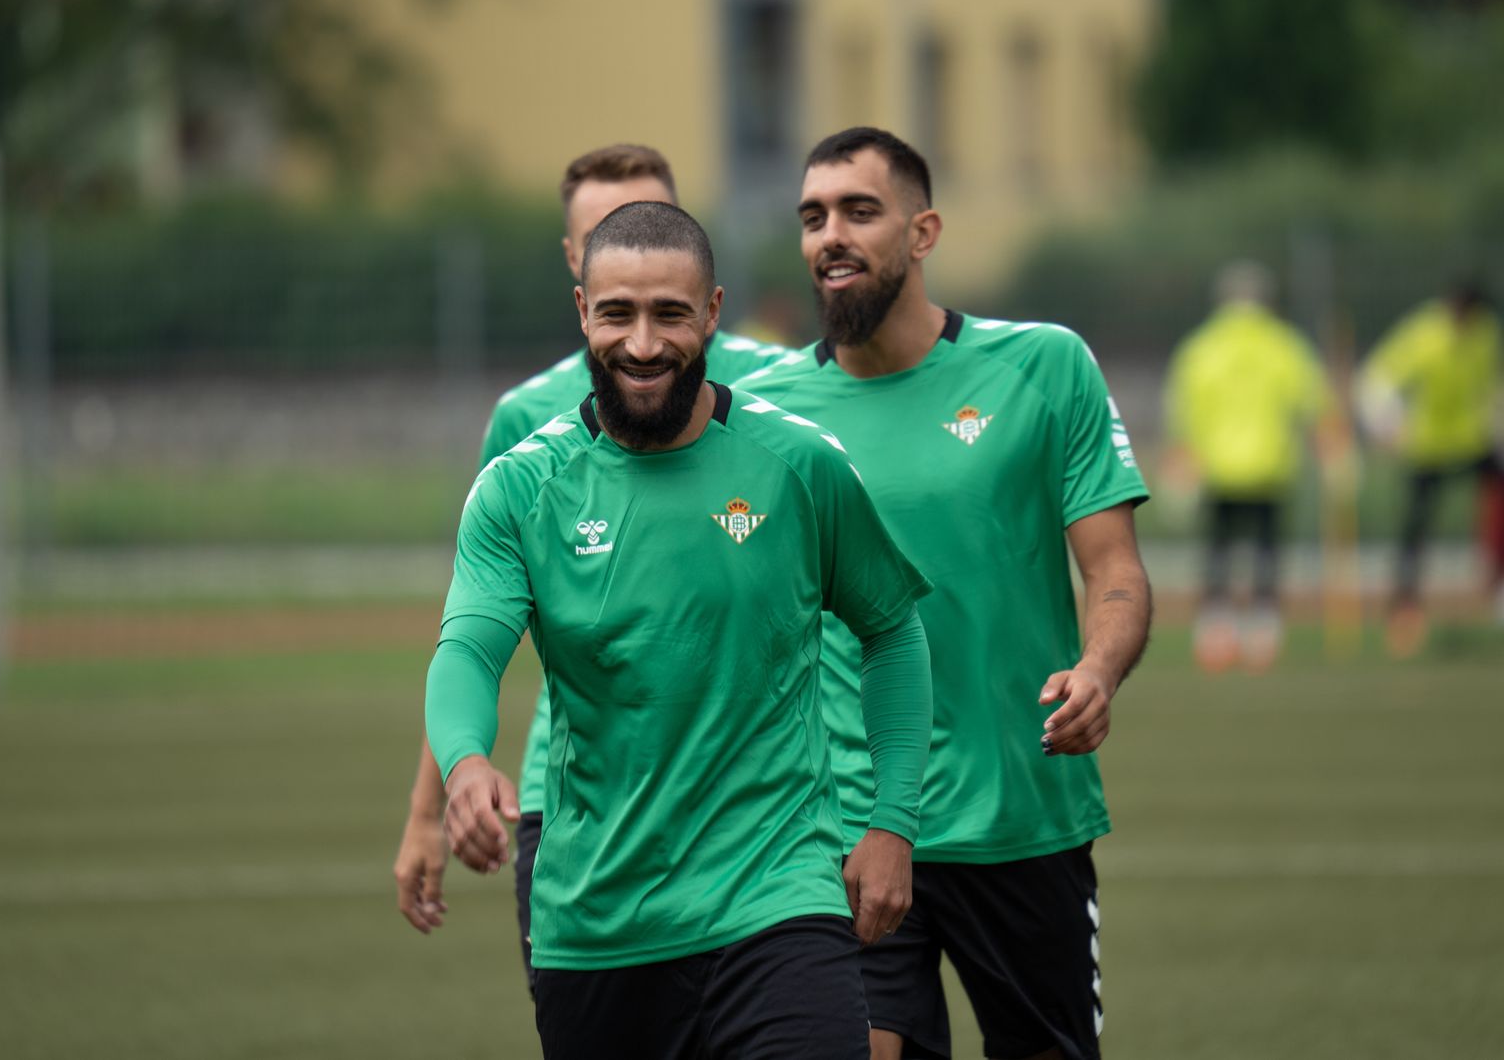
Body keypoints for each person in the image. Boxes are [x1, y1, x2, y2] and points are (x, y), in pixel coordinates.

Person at [428, 200, 934, 1059]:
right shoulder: (522, 488)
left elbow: (892, 630)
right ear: (583, 311)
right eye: (617, 312)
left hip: (779, 898)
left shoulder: (800, 464)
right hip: (597, 923)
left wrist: (892, 821)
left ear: (711, 313)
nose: (643, 343)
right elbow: (469, 647)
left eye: (670, 313)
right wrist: (465, 761)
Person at [738, 127, 1152, 1060]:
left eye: (858, 211)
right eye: (812, 217)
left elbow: (1115, 569)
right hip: (845, 827)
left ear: (923, 233)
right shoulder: (762, 418)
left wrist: (1097, 669)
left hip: (1021, 815)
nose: (829, 235)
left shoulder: (1044, 369)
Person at [392, 144, 797, 987]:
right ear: (578, 264)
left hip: (759, 799)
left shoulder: (782, 394)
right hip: (575, 797)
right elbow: (478, 617)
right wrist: (431, 807)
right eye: (601, 234)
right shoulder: (526, 428)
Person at [1163, 261, 1335, 672]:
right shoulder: (1285, 344)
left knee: (1217, 552)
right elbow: (1314, 401)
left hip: (1217, 468)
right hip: (1270, 466)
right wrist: (1333, 449)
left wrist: (1181, 458)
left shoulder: (1200, 347)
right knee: (1266, 552)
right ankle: (1263, 632)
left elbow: (1181, 408)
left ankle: (1215, 631)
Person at [1357, 279, 1503, 654]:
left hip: (1473, 441)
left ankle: (1496, 585)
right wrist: (1389, 426)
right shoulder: (1424, 334)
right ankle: (1405, 607)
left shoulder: (1486, 335)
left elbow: (1493, 385)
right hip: (1428, 446)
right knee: (1414, 527)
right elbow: (1377, 378)